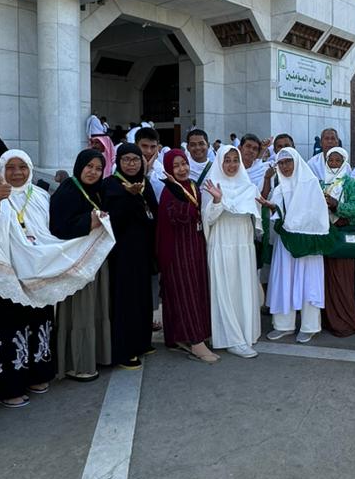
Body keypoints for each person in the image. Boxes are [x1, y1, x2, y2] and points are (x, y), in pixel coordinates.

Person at [0, 149, 114, 404]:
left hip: (38, 272)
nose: (17, 173)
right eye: (11, 167)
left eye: (23, 167)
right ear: (1, 169)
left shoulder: (39, 195)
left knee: (38, 323)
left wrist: (89, 227)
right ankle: (7, 389)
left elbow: (55, 232)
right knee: (8, 329)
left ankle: (36, 375)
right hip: (5, 275)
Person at [49, 149, 113, 380]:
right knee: (80, 310)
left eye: (98, 168)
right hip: (76, 263)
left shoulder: (96, 190)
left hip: (96, 260)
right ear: (79, 166)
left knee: (96, 307)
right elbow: (57, 227)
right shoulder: (68, 190)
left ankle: (95, 356)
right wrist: (89, 221)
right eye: (89, 166)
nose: (93, 172)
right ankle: (76, 363)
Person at [101, 143, 159, 368]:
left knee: (142, 297)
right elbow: (112, 219)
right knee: (125, 300)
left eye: (135, 160)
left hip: (143, 251)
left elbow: (153, 212)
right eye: (126, 160)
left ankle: (142, 342)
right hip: (122, 253)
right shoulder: (111, 184)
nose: (131, 164)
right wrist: (129, 197)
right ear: (118, 161)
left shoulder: (144, 183)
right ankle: (124, 351)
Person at [156, 149, 217, 362]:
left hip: (194, 246)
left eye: (184, 164)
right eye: (176, 166)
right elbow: (179, 215)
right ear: (168, 169)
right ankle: (195, 341)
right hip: (177, 251)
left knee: (196, 291)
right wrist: (178, 190)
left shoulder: (190, 184)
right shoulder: (169, 191)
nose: (182, 169)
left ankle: (178, 337)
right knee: (186, 293)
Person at [202, 145, 262, 357]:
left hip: (243, 245)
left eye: (235, 160)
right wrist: (218, 201)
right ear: (219, 162)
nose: (231, 165)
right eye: (226, 160)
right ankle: (231, 338)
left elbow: (256, 219)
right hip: (222, 243)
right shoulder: (211, 185)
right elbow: (208, 219)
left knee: (243, 288)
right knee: (225, 289)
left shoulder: (249, 186)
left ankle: (245, 333)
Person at [265, 147, 329, 342]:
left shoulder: (310, 184)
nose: (285, 167)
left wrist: (297, 224)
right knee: (284, 280)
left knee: (309, 283)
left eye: (288, 162)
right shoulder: (279, 188)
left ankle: (310, 326)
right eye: (281, 163)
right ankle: (284, 325)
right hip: (286, 243)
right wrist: (274, 210)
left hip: (308, 244)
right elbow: (276, 217)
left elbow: (318, 215)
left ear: (297, 162)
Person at [319, 146, 355, 337]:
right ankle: (330, 320)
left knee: (345, 280)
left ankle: (347, 321)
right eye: (331, 160)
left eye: (338, 160)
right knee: (328, 280)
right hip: (327, 237)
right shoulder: (321, 183)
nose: (334, 164)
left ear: (344, 162)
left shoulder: (351, 183)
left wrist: (336, 205)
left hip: (345, 238)